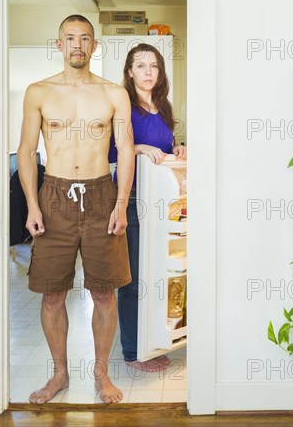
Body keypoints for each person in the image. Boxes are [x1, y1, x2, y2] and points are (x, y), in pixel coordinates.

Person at [17, 14, 135, 404]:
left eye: (85, 38)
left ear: (94, 45)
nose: (77, 45)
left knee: (104, 293)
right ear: (59, 44)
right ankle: (60, 374)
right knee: (52, 294)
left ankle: (101, 375)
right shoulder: (39, 91)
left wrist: (120, 204)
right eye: (70, 38)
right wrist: (33, 204)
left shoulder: (114, 93)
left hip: (103, 196)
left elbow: (128, 150)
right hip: (55, 195)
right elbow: (27, 151)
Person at [109, 43, 187, 372]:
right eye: (141, 66)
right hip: (132, 203)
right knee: (133, 280)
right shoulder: (124, 105)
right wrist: (136, 147)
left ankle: (152, 341)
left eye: (153, 66)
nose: (148, 72)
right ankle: (131, 351)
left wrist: (179, 148)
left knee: (160, 276)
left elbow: (166, 151)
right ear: (129, 71)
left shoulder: (163, 106)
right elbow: (112, 152)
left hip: (163, 206)